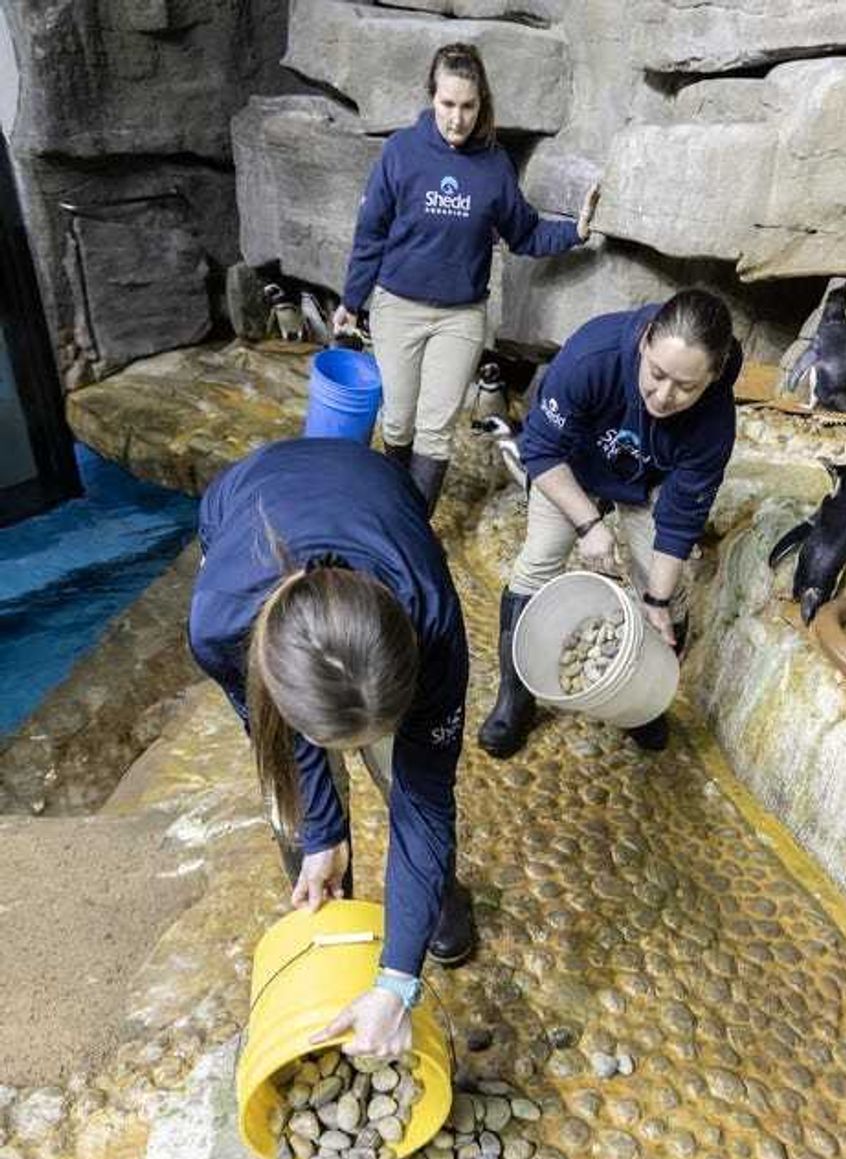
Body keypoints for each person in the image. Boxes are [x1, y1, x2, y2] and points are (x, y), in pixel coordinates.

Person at [188, 437, 473, 1058]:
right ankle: (335, 896)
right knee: (300, 810)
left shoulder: (433, 620)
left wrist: (399, 983)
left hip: (377, 489)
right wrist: (322, 833)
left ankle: (429, 906)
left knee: (407, 781)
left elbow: (425, 802)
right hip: (247, 493)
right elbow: (281, 738)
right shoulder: (218, 628)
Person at [332, 41, 599, 515]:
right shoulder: (401, 152)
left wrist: (575, 232)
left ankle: (409, 531)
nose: (457, 118)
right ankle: (393, 512)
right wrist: (351, 301)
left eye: (468, 106)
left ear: (482, 105)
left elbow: (525, 233)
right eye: (447, 104)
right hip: (398, 307)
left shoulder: (494, 166)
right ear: (431, 97)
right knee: (396, 421)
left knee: (435, 429)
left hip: (460, 316)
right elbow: (370, 232)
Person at [478, 287, 743, 758]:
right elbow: (540, 449)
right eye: (657, 374)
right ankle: (514, 699)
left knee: (663, 591)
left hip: (648, 483)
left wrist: (657, 599)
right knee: (537, 562)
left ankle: (641, 698)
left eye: (686, 387)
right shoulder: (593, 355)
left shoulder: (715, 420)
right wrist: (588, 525)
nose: (664, 396)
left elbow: (683, 516)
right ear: (644, 342)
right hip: (570, 467)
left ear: (714, 376)